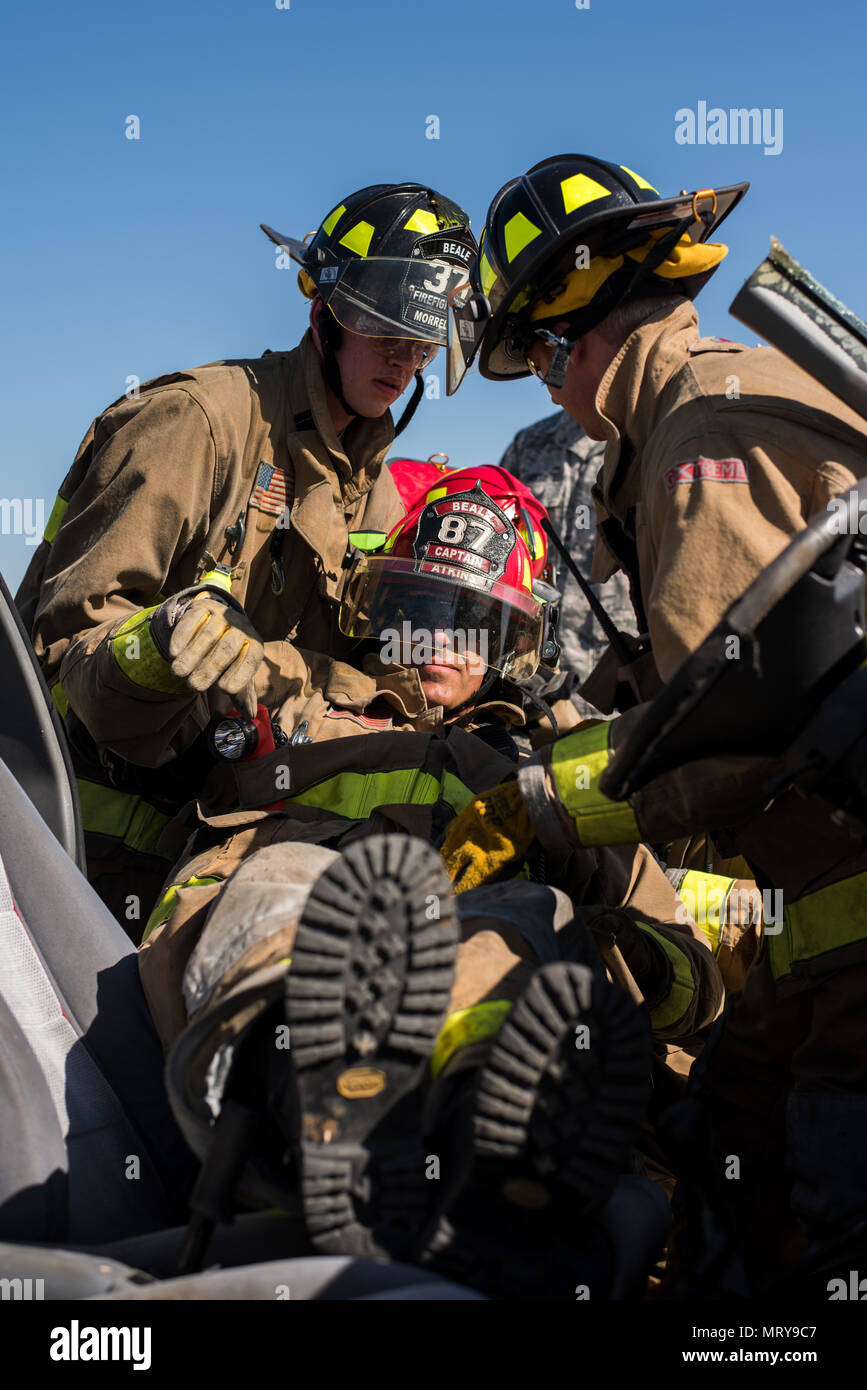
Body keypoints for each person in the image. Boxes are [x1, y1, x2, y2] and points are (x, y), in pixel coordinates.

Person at [140, 470, 723, 1295]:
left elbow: (691, 983)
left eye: (475, 621)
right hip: (276, 934)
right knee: (285, 873)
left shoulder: (552, 768)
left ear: (514, 646)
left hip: (490, 1001)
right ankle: (319, 1078)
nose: (441, 639)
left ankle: (471, 1126)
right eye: (422, 609)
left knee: (527, 912)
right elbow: (123, 708)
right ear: (382, 610)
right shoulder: (300, 694)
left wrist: (608, 945)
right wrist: (163, 641)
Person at [442, 152, 867, 1275]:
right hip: (816, 924)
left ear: (575, 332)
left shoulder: (697, 434)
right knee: (731, 1139)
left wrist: (538, 799)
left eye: (536, 356)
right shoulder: (749, 382)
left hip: (854, 939)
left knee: (818, 1235)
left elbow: (726, 734)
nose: (546, 387)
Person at [17, 182, 478, 934]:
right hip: (90, 847)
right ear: (322, 313)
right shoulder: (196, 421)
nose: (405, 360)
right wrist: (164, 642)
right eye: (386, 329)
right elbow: (71, 648)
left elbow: (363, 664)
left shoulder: (377, 492)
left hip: (240, 827)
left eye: (423, 342)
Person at [498, 411, 635, 715]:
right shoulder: (530, 444)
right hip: (532, 683)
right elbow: (500, 553)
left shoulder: (645, 437)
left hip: (619, 679)